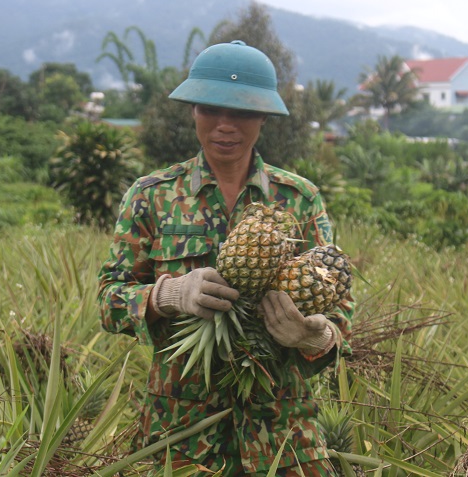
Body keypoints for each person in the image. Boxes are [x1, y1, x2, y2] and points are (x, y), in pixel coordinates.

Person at [97, 40, 354, 476]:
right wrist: (168, 294)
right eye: (210, 109)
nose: (224, 126)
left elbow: (341, 314)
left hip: (284, 437)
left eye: (242, 112)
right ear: (193, 110)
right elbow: (109, 300)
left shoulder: (300, 199)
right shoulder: (152, 196)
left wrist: (313, 335)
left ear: (264, 117)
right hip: (179, 436)